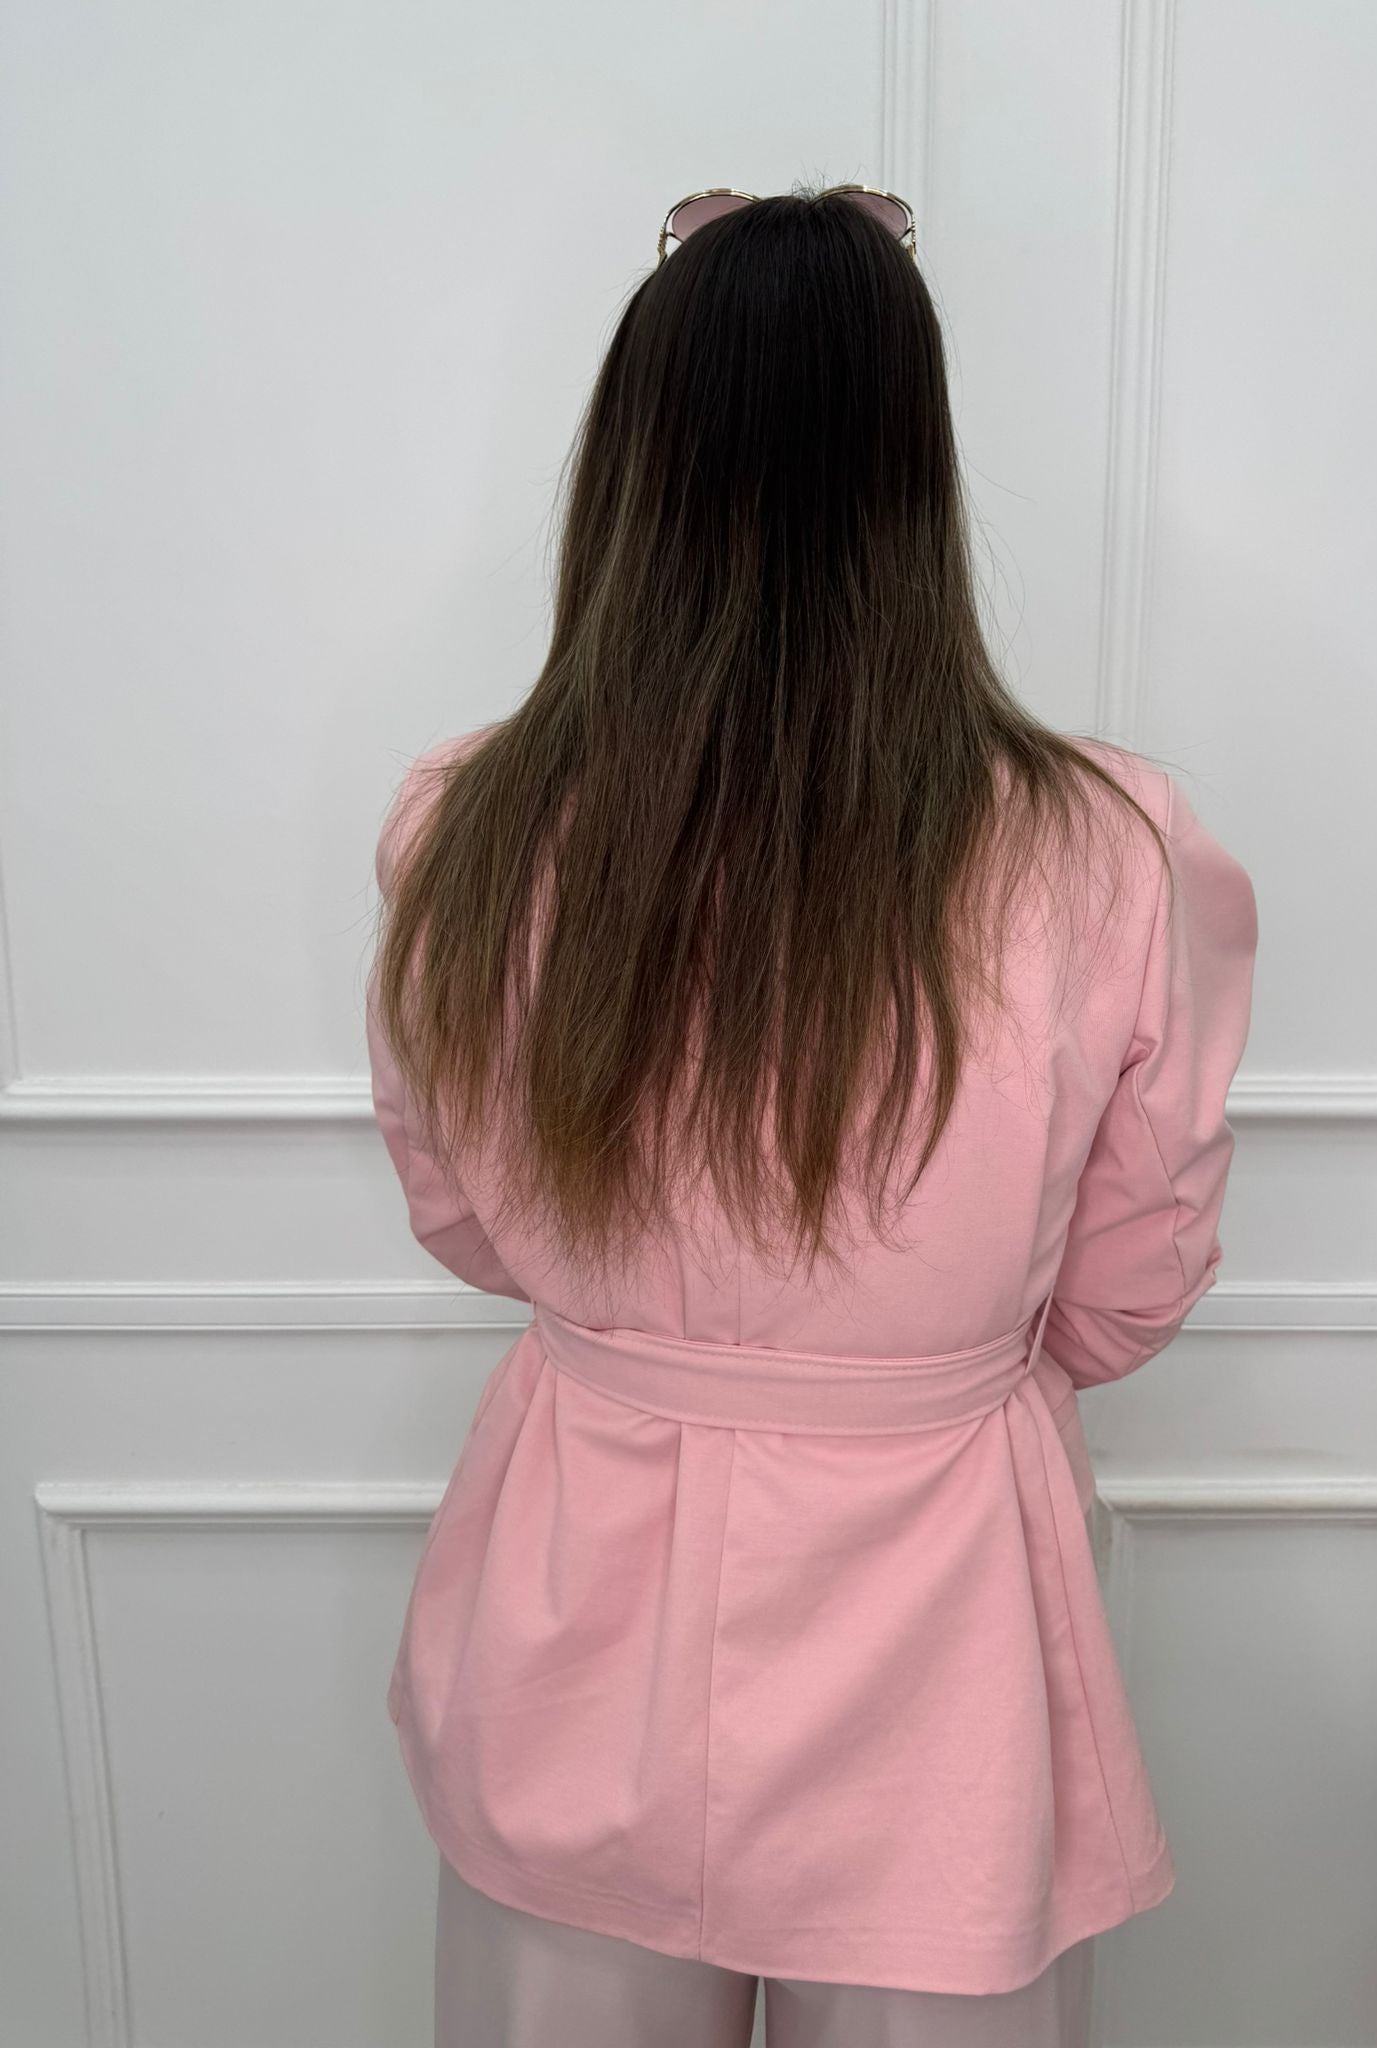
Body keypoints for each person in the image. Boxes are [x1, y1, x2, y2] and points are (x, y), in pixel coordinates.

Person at [365, 180, 1259, 2047]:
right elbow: (1129, 1287)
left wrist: (658, 1323)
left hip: (578, 1600)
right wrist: (915, 1347)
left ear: (633, 463)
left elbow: (461, 1218)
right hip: (943, 1620)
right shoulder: (1110, 847)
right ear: (912, 471)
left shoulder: (470, 825)